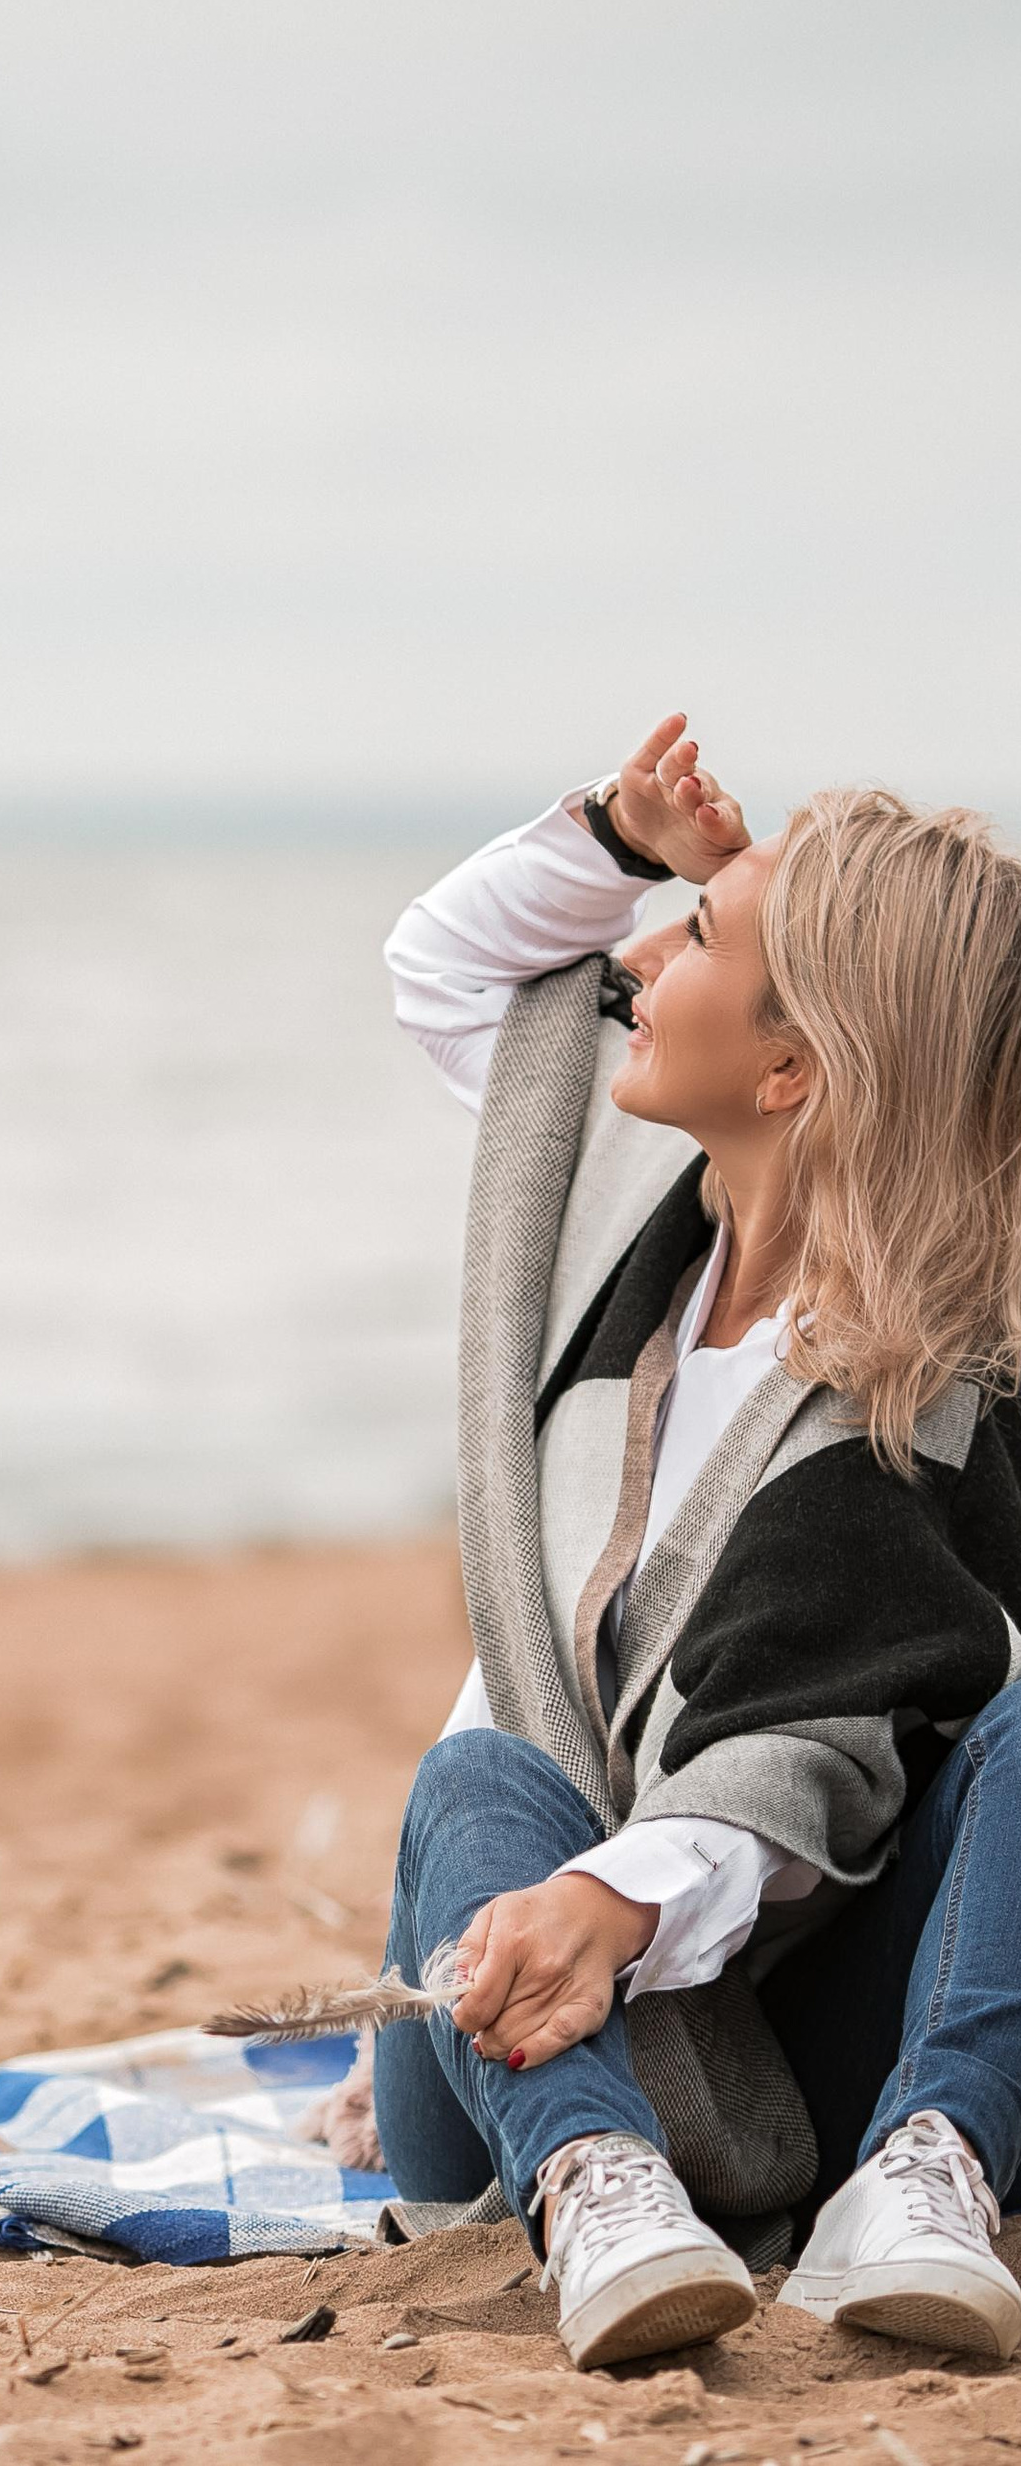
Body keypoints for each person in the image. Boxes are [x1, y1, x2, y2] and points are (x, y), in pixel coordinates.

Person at [373, 718, 1021, 2369]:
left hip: (793, 2018)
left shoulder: (915, 1396)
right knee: (476, 1780)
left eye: (703, 936)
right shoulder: (617, 1215)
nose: (645, 954)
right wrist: (622, 838)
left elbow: (819, 1736)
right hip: (502, 2012)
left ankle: (935, 2169)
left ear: (792, 1072)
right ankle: (600, 2185)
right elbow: (450, 975)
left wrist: (628, 1905)